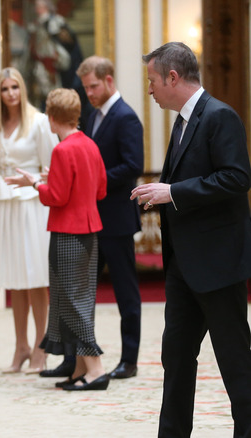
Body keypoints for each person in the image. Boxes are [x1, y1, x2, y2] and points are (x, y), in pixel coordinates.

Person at [132, 42, 251, 437]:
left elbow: (237, 178)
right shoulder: (182, 121)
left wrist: (172, 192)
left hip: (218, 264)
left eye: (152, 80)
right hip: (183, 265)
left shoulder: (220, 116)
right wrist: (160, 193)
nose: (149, 88)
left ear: (172, 77)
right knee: (176, 357)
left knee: (235, 360)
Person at [6, 87, 109, 391]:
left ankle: (95, 369)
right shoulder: (89, 144)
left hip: (67, 233)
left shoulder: (62, 150)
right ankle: (80, 368)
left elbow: (56, 197)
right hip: (89, 231)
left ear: (52, 118)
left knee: (71, 301)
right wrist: (54, 180)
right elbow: (100, 190)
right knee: (79, 299)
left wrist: (36, 183)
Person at [0, 67, 58, 374]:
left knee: (35, 277)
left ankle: (41, 346)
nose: (10, 93)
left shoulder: (38, 121)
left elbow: (51, 168)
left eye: (15, 87)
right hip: (4, 204)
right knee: (15, 279)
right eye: (5, 89)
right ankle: (21, 346)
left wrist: (32, 182)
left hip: (32, 206)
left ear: (22, 89)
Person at [77, 55, 143, 380]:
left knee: (125, 293)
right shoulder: (93, 116)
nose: (89, 93)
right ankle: (79, 359)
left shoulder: (125, 116)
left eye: (93, 87)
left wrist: (94, 180)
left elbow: (133, 166)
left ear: (108, 81)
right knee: (82, 291)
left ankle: (129, 360)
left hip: (117, 219)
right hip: (92, 217)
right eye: (85, 88)